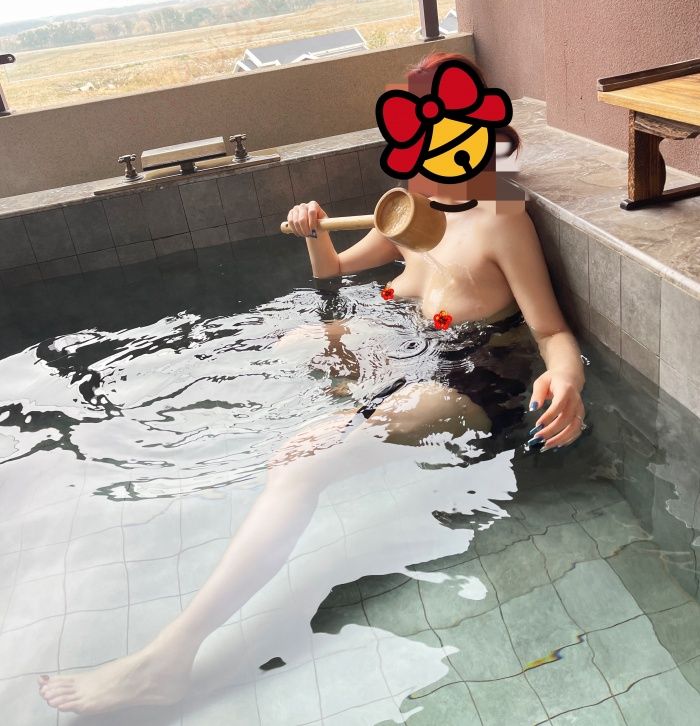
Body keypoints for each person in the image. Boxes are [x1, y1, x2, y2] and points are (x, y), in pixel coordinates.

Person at [38, 52, 585, 714]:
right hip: (422, 346)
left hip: (479, 379)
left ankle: (169, 658)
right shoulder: (414, 210)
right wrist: (313, 230)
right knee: (298, 341)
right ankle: (351, 426)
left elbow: (551, 331)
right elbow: (332, 274)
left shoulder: (501, 221)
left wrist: (566, 378)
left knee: (298, 462)